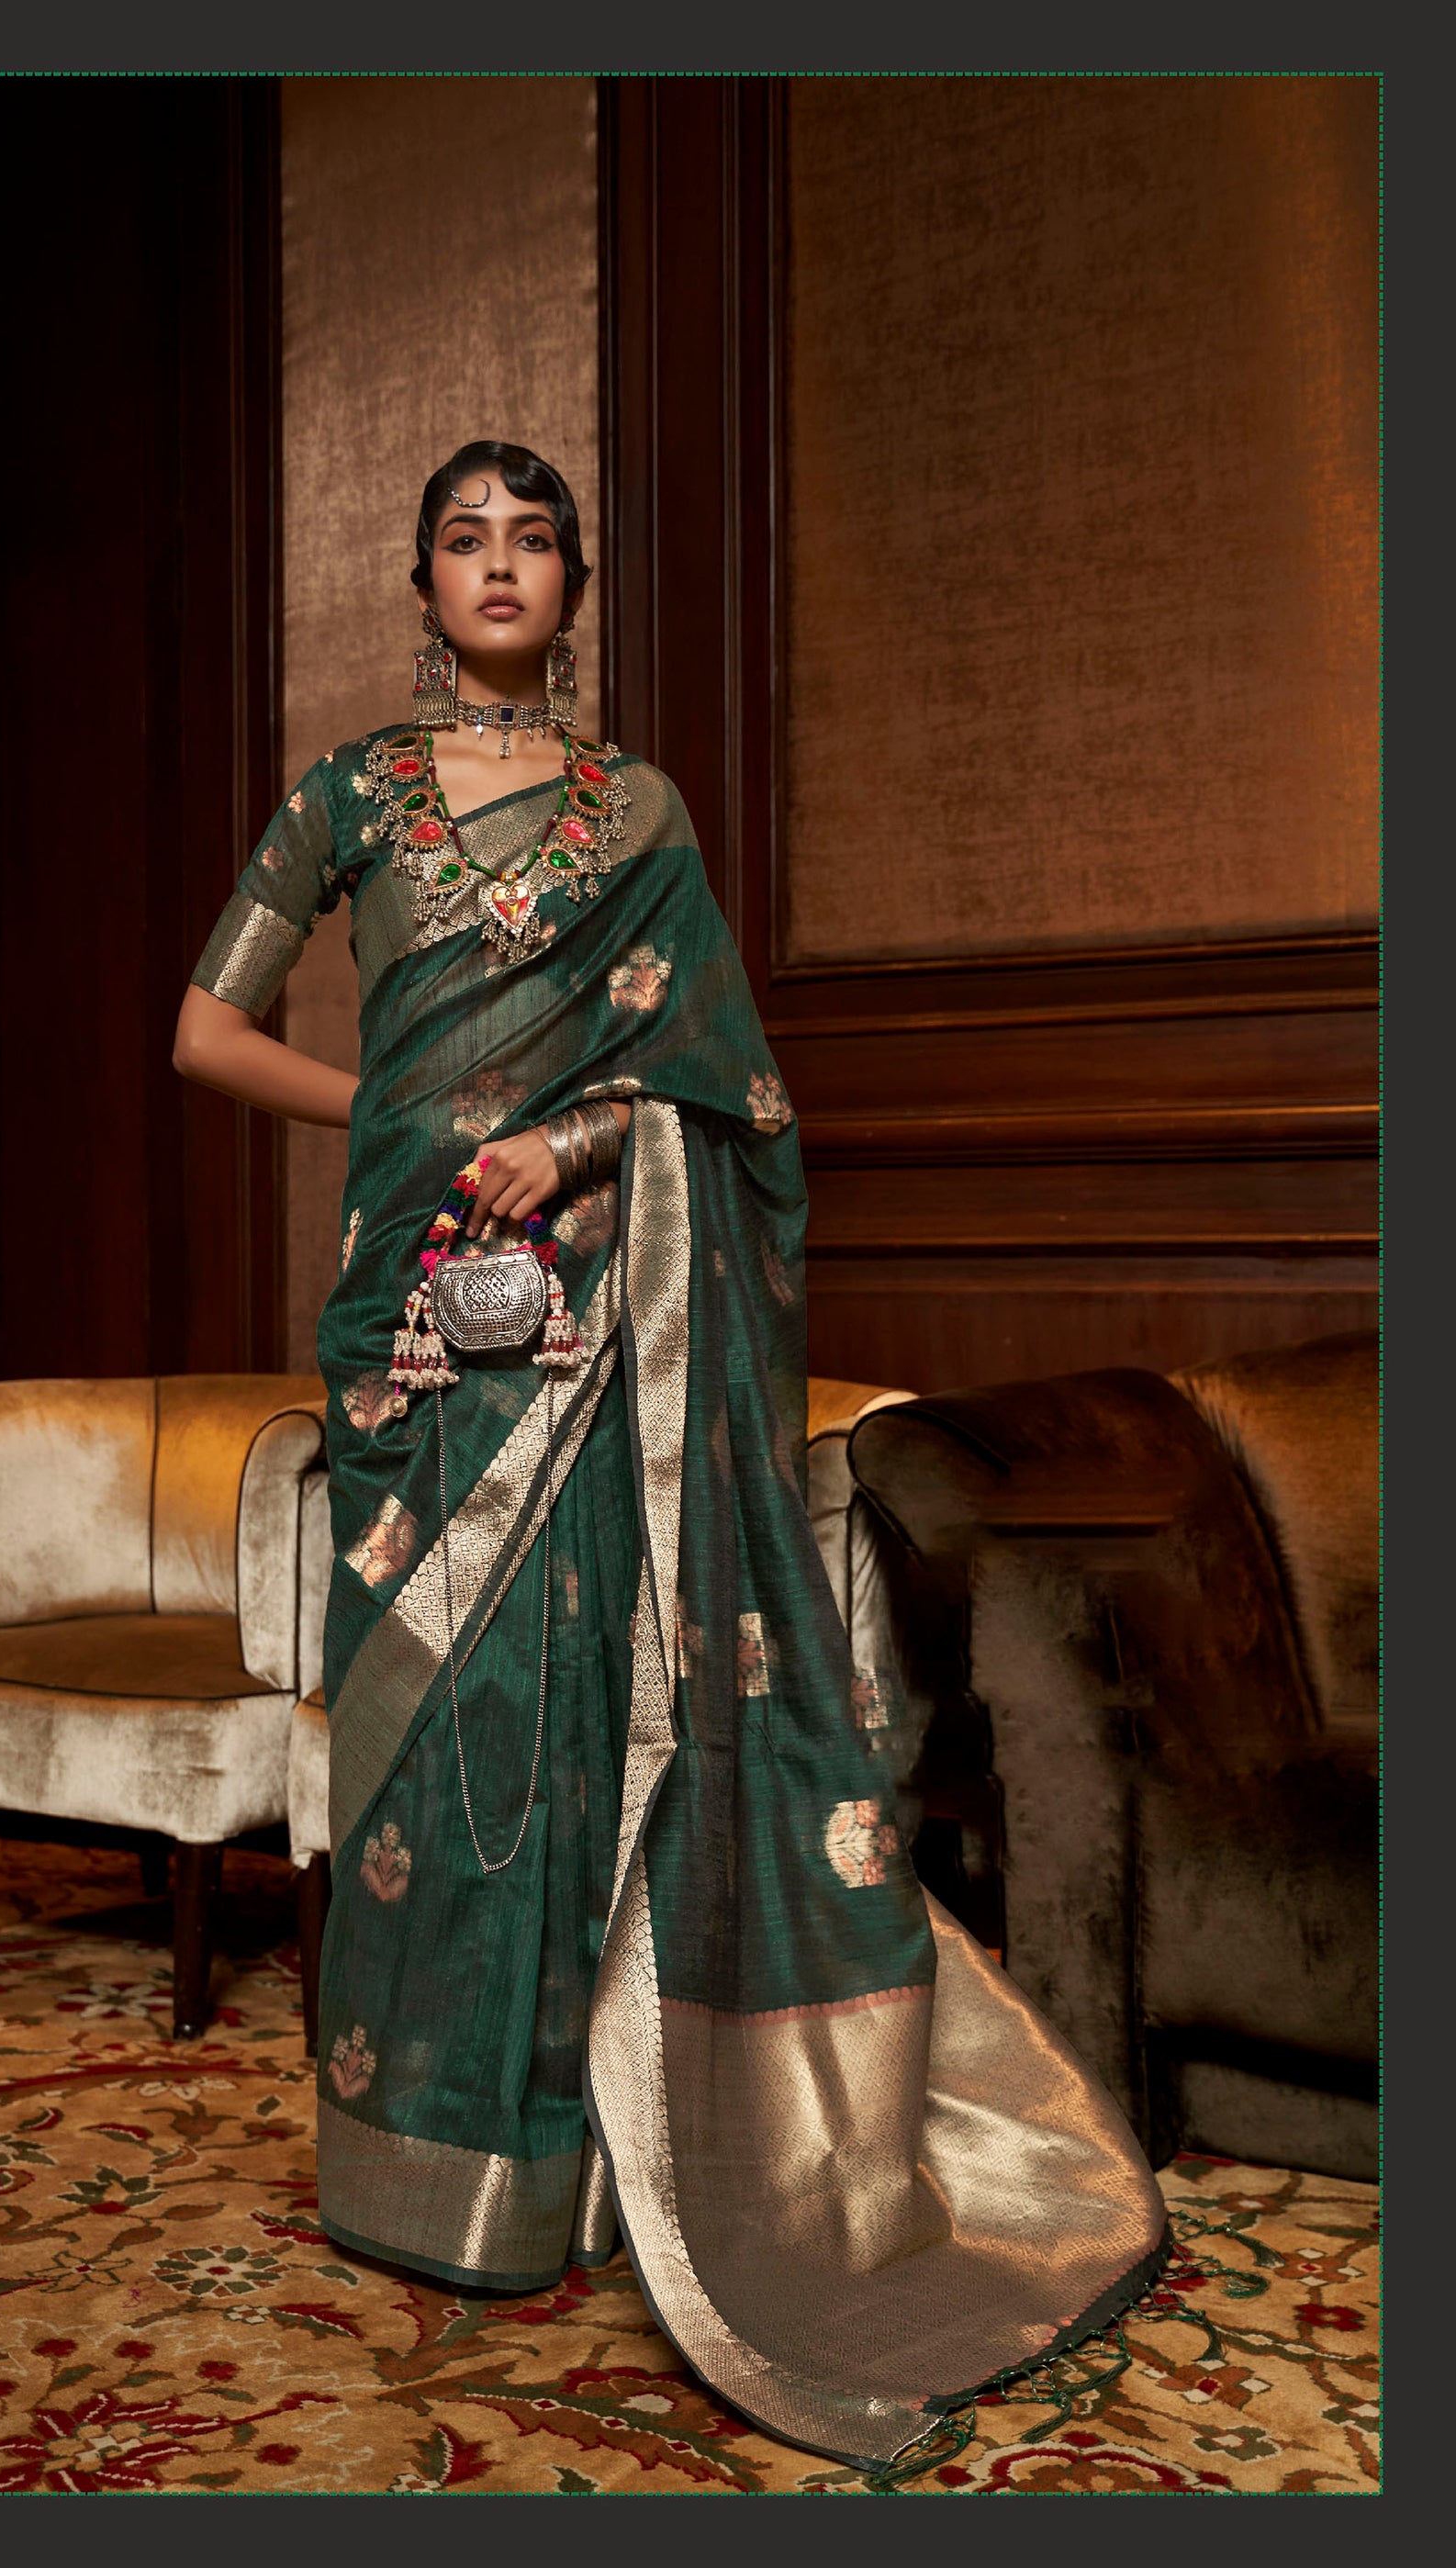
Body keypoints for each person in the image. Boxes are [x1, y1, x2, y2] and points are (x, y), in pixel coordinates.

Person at [173, 440, 1167, 2473]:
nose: (500, 566)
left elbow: (739, 1100)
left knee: (559, 1720)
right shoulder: (346, 793)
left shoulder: (640, 812)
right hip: (405, 1331)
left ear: (572, 583)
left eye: (532, 539)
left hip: (585, 1330)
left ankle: (557, 2168)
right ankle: (409, 2159)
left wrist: (581, 1138)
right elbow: (203, 1029)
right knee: (411, 1735)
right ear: (420, 586)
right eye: (465, 540)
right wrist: (401, 1116)